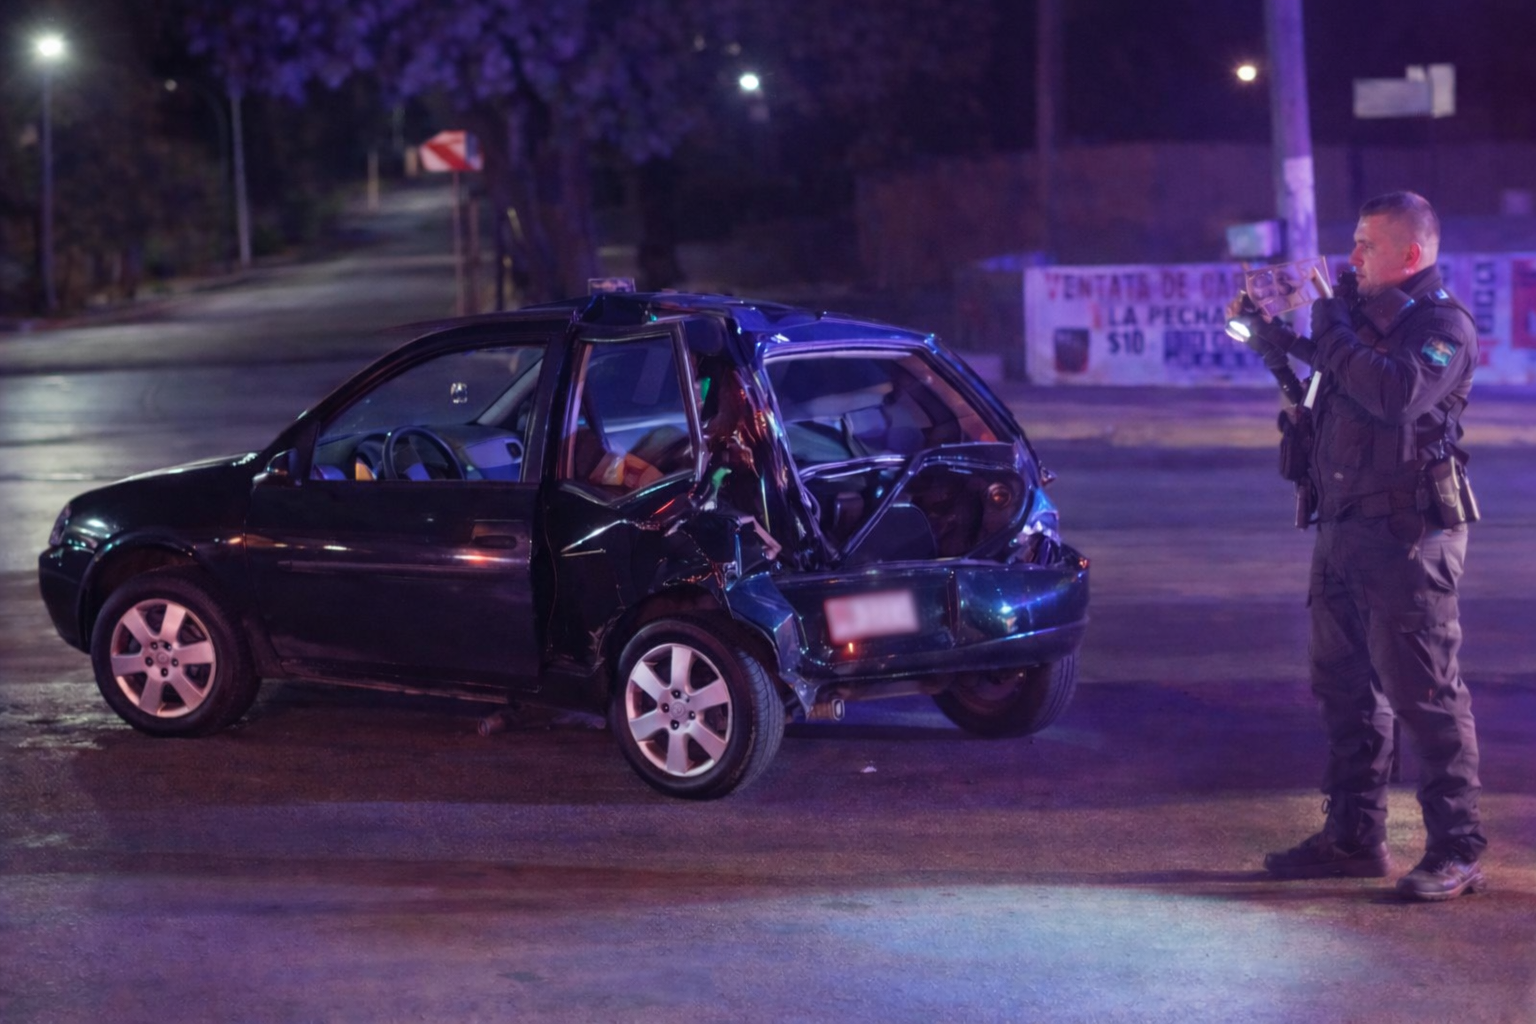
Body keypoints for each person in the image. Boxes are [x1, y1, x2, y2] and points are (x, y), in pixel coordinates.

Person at [1228, 191, 1487, 901]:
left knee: (1426, 695)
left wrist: (1328, 327)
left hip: (1407, 539)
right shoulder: (1361, 324)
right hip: (1343, 531)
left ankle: (1458, 848)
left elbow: (1395, 394)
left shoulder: (1441, 325)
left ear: (1410, 252)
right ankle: (1352, 836)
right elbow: (1325, 397)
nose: (1350, 259)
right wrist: (1279, 348)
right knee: (1344, 692)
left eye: (1365, 245)